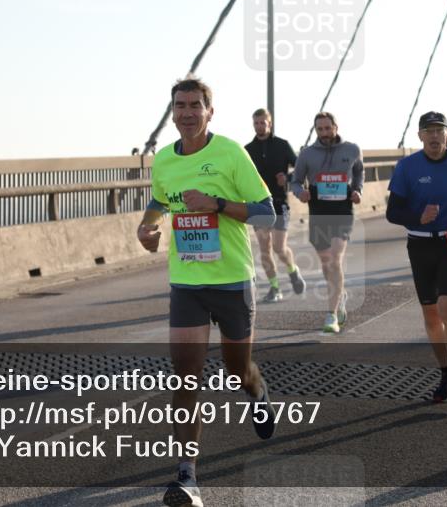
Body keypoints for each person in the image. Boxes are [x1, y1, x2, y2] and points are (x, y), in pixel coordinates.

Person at [137, 78, 277, 506]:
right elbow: (160, 201)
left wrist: (216, 204)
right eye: (180, 106)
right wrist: (148, 226)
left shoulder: (231, 153)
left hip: (232, 282)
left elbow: (267, 214)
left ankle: (257, 392)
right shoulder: (163, 160)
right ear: (172, 112)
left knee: (238, 370)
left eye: (195, 105)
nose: (187, 113)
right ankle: (187, 476)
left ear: (210, 112)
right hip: (187, 284)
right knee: (185, 375)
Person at [386, 111, 447, 405]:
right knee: (431, 314)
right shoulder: (407, 167)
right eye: (428, 131)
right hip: (419, 245)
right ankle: (444, 374)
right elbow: (392, 212)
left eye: (439, 130)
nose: (434, 136)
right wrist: (418, 215)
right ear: (420, 136)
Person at [291, 111, 364, 333]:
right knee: (326, 263)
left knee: (334, 260)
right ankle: (339, 296)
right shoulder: (307, 154)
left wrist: (358, 191)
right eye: (319, 129)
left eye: (327, 128)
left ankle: (331, 315)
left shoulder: (352, 149)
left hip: (342, 210)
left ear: (336, 127)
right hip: (319, 212)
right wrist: (300, 193)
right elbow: (295, 181)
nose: (324, 133)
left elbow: (359, 173)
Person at [244, 108, 306, 302]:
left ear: (269, 124)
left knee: (279, 248)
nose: (259, 126)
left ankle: (293, 270)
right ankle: (275, 288)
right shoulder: (247, 150)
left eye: (263, 122)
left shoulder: (282, 145)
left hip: (279, 203)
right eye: (256, 123)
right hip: (258, 204)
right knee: (264, 248)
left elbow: (300, 168)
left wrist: (286, 177)